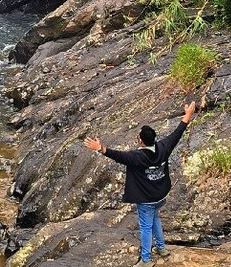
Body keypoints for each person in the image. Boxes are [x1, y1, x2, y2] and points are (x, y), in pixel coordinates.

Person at [84, 101, 197, 264]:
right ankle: (161, 247)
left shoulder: (136, 157)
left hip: (147, 199)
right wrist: (188, 114)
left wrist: (99, 147)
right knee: (155, 218)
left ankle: (146, 259)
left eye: (138, 136)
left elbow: (117, 155)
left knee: (145, 227)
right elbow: (178, 131)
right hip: (160, 195)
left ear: (141, 141)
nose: (137, 137)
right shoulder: (164, 147)